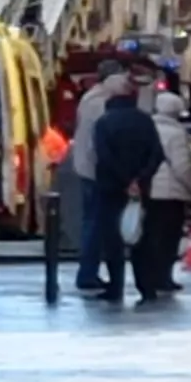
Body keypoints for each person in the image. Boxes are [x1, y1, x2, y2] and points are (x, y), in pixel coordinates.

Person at [91, 77, 165, 305]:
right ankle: (147, 287)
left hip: (111, 187)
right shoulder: (145, 121)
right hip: (141, 189)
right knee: (142, 237)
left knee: (112, 239)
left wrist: (124, 180)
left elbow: (104, 156)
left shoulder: (104, 123)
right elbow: (157, 154)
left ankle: (116, 287)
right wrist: (140, 179)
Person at [68, 58, 126, 292]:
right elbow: (102, 138)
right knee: (95, 224)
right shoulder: (100, 103)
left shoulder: (89, 99)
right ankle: (87, 273)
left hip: (86, 167)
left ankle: (88, 271)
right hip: (95, 170)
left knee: (92, 222)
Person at [145, 91, 191, 296]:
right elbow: (181, 166)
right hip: (171, 192)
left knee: (151, 235)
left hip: (150, 189)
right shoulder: (177, 134)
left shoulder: (147, 127)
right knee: (169, 238)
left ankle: (149, 276)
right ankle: (164, 277)